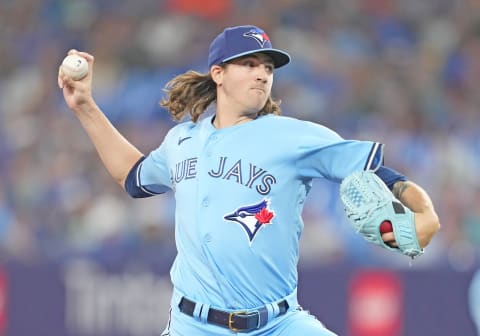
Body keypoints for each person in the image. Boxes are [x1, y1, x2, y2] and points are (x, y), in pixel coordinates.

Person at [58, 25, 440, 336]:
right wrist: (86, 107)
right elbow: (134, 177)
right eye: (250, 63)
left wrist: (423, 211)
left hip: (278, 324)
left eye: (269, 68)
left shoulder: (293, 136)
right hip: (193, 325)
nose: (262, 74)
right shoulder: (182, 140)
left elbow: (378, 171)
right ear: (218, 73)